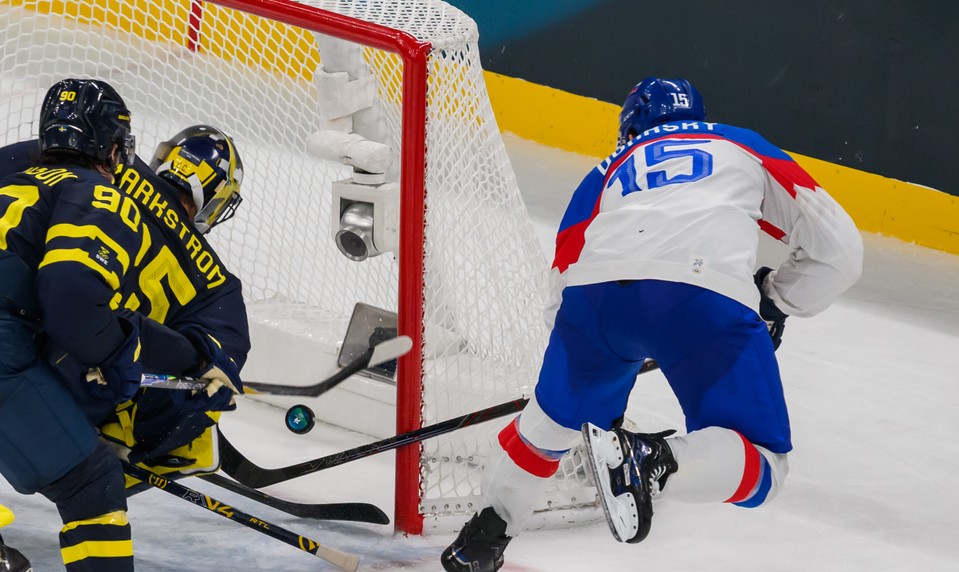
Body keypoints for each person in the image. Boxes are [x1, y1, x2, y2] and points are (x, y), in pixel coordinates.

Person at [441, 77, 864, 571]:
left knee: (547, 427)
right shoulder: (742, 142)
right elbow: (841, 254)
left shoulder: (604, 170)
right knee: (764, 464)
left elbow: (562, 284)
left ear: (630, 128)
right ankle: (656, 460)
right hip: (701, 296)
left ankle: (482, 539)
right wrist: (774, 302)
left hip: (594, 302)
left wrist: (595, 364)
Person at [0, 78, 144, 572]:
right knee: (90, 482)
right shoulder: (95, 190)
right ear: (109, 146)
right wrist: (112, 357)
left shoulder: (7, 176)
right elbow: (69, 295)